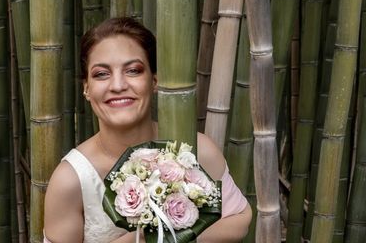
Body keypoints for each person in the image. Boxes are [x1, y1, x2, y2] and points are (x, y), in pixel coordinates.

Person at [44, 17, 251, 242]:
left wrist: (170, 236)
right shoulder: (71, 180)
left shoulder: (196, 149)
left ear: (154, 80)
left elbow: (240, 220)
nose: (118, 85)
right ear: (87, 89)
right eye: (101, 74)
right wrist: (141, 239)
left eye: (133, 70)